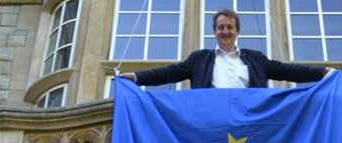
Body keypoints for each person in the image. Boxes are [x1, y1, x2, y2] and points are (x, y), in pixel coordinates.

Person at [118, 8, 330, 89]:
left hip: (250, 119)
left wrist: (322, 73)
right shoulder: (199, 59)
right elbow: (168, 73)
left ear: (237, 31)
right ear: (214, 32)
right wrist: (135, 77)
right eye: (221, 27)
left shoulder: (256, 59)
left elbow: (287, 71)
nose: (225, 31)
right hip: (211, 121)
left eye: (230, 27)